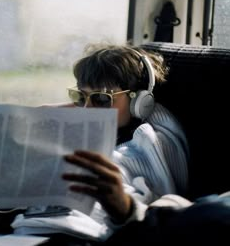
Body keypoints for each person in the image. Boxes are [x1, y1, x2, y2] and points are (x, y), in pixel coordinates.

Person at [62, 44, 189, 233]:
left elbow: (155, 210)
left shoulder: (153, 142)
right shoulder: (111, 123)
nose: (87, 109)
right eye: (81, 97)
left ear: (139, 102)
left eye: (102, 99)